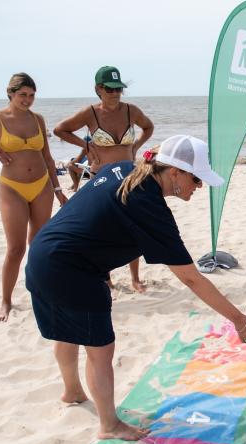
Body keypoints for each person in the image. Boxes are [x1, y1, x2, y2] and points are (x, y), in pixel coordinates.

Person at [25, 135, 246, 441]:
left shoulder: (126, 169)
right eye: (196, 179)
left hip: (43, 255)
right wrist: (239, 319)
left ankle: (72, 391)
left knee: (68, 332)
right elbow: (191, 278)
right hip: (73, 269)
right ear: (174, 172)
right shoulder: (148, 203)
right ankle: (109, 425)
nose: (200, 187)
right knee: (101, 350)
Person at [0, 73, 67, 322]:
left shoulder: (38, 119)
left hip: (42, 186)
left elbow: (48, 157)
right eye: (23, 95)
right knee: (16, 248)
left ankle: (42, 291)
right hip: (12, 187)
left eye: (32, 96)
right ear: (10, 93)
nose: (28, 100)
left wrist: (57, 188)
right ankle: (6, 301)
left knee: (40, 245)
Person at [54, 65, 154, 293]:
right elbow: (60, 130)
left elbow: (148, 127)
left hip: (129, 176)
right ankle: (106, 278)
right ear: (98, 89)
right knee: (102, 230)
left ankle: (135, 278)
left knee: (133, 228)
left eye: (118, 89)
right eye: (110, 89)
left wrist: (136, 146)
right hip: (101, 178)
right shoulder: (90, 112)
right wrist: (86, 146)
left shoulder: (131, 110)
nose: (115, 93)